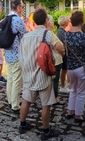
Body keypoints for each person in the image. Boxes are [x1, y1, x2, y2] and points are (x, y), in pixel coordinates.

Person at [17, 9, 65, 139]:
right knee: (46, 104)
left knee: (26, 100)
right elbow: (60, 47)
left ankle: (22, 125)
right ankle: (45, 131)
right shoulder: (47, 34)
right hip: (43, 74)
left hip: (28, 74)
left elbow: (20, 56)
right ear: (45, 20)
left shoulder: (26, 36)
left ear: (33, 21)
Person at [64, 11, 85, 124]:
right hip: (81, 67)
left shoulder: (66, 35)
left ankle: (70, 111)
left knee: (73, 90)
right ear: (81, 21)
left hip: (70, 67)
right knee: (81, 92)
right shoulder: (82, 36)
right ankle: (78, 115)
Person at [4, 0, 27, 115]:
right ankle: (15, 106)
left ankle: (10, 101)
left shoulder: (7, 17)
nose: (22, 9)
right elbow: (24, 36)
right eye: (22, 6)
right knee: (17, 80)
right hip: (16, 54)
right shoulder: (17, 20)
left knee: (11, 79)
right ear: (18, 7)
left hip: (8, 54)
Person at [56, 16, 72, 95]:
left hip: (63, 53)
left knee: (64, 70)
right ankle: (62, 86)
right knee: (64, 70)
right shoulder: (61, 32)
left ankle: (63, 85)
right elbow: (64, 43)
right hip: (63, 54)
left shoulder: (60, 30)